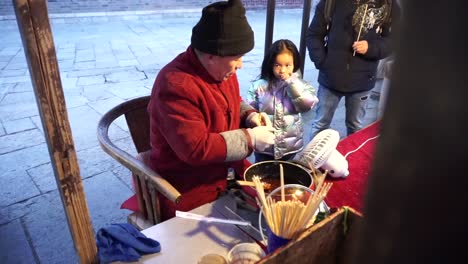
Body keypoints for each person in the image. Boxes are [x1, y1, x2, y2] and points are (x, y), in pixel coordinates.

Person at [147, 0, 275, 221]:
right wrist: (250, 139)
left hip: (228, 172)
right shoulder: (175, 85)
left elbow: (234, 101)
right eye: (236, 58)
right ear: (210, 56)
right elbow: (195, 149)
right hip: (189, 186)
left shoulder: (221, 71)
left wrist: (249, 115)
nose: (240, 65)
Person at [306, 0, 400, 139]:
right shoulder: (330, 2)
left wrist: (371, 48)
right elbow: (313, 34)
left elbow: (394, 39)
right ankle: (311, 161)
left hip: (363, 80)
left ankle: (352, 160)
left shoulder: (388, 4)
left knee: (355, 127)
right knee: (320, 125)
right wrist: (322, 62)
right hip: (330, 78)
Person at [246, 39, 319, 162]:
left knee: (288, 174)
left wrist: (291, 83)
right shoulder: (259, 86)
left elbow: (307, 105)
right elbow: (250, 109)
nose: (282, 70)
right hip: (265, 146)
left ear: (294, 64)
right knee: (263, 174)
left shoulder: (301, 85)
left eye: (287, 65)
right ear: (270, 64)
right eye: (277, 65)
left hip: (290, 145)